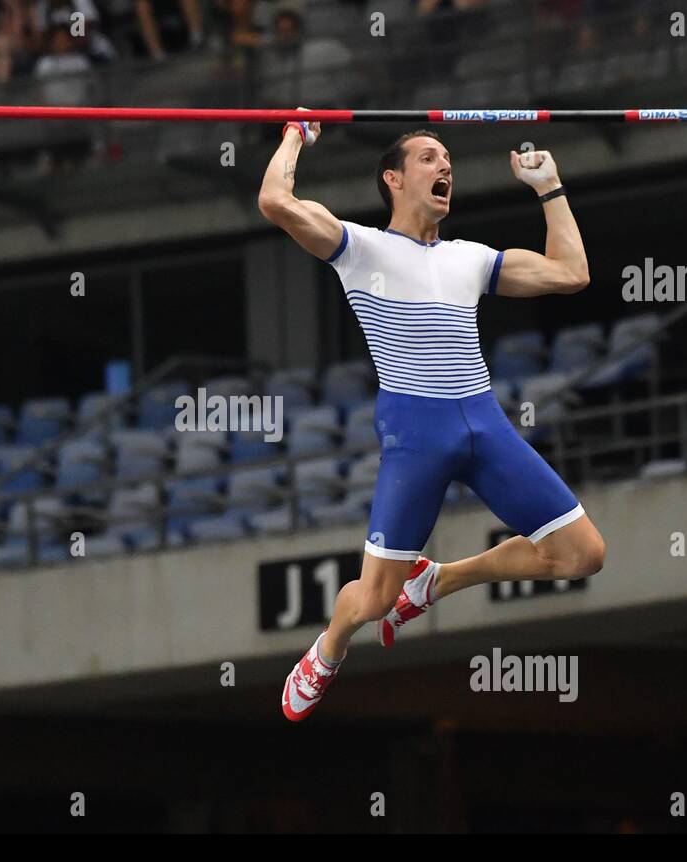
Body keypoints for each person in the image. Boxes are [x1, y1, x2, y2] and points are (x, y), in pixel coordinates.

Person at [258, 114, 606, 722]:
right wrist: (296, 135)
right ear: (392, 177)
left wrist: (549, 187)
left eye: (447, 159)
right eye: (428, 158)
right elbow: (274, 201)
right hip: (416, 436)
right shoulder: (359, 248)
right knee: (371, 600)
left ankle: (436, 581)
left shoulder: (471, 259)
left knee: (583, 555)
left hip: (483, 424)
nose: (445, 166)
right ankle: (327, 649)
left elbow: (572, 273)